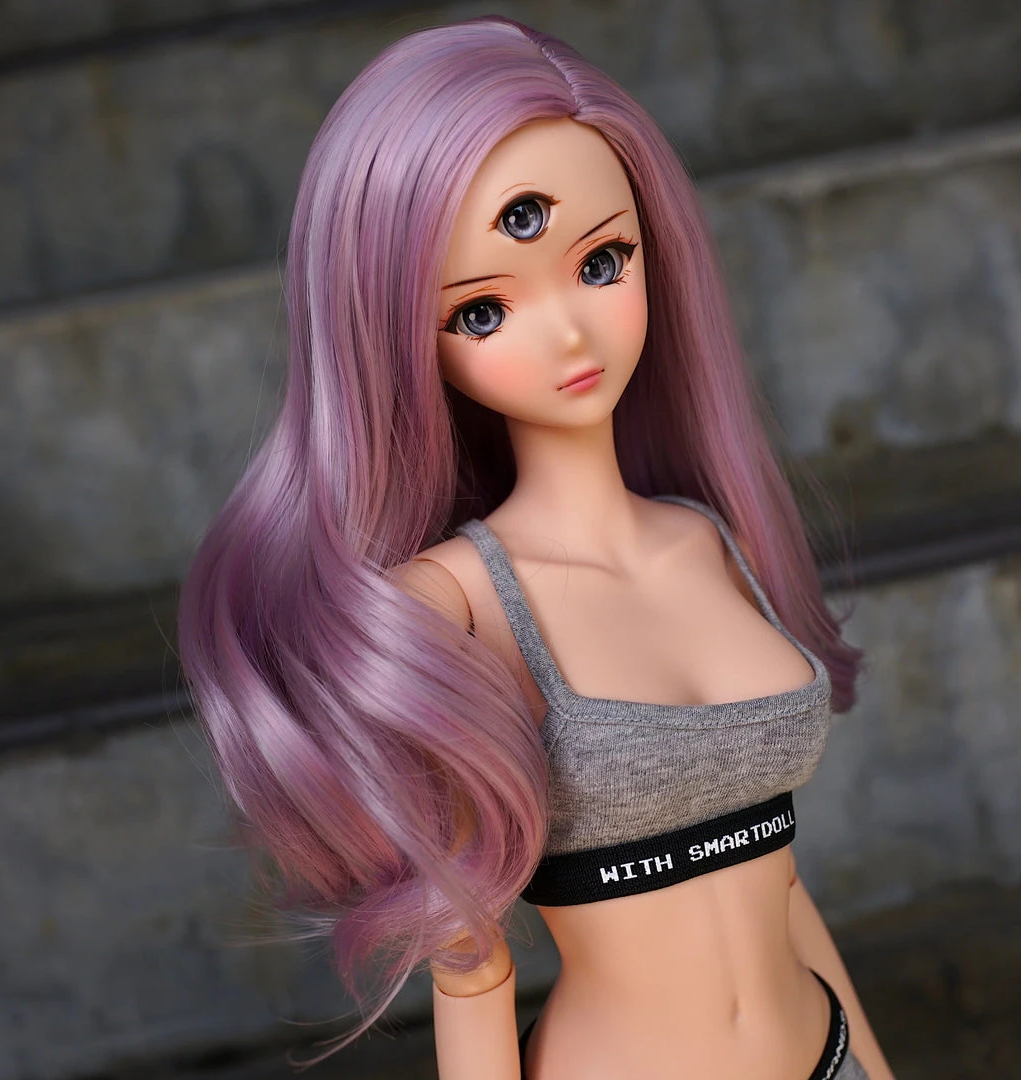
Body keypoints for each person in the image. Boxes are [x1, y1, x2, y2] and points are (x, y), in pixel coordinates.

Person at [177, 15, 893, 1079]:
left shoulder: (712, 537)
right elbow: (471, 969)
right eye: (482, 313)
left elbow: (780, 886)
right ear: (399, 342)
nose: (567, 332)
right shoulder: (449, 608)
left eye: (602, 261)